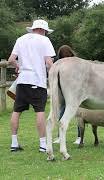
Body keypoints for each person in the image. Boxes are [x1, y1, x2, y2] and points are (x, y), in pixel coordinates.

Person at [7, 19, 55, 152]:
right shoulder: (44, 40)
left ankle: (14, 143)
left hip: (22, 81)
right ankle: (43, 144)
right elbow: (49, 62)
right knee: (39, 111)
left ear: (33, 28)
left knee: (16, 111)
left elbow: (11, 59)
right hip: (37, 81)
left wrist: (18, 67)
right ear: (43, 30)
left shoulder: (20, 39)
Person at [52, 45, 82, 144]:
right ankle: (60, 136)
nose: (65, 58)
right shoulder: (59, 64)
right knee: (62, 110)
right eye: (63, 57)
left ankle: (79, 137)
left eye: (66, 56)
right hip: (64, 90)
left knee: (78, 113)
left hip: (75, 91)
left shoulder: (76, 62)